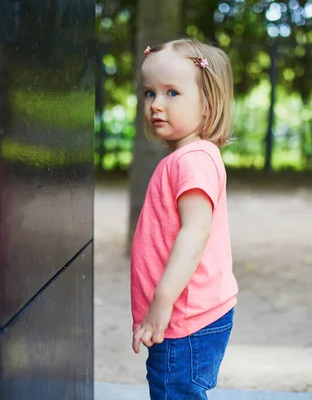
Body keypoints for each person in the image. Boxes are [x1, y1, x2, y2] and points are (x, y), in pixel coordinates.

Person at [130, 38, 239, 399]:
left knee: (173, 391)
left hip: (184, 319)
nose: (156, 105)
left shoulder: (192, 160)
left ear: (207, 105)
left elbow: (195, 235)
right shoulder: (189, 158)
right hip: (184, 317)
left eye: (172, 93)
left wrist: (161, 305)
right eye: (149, 93)